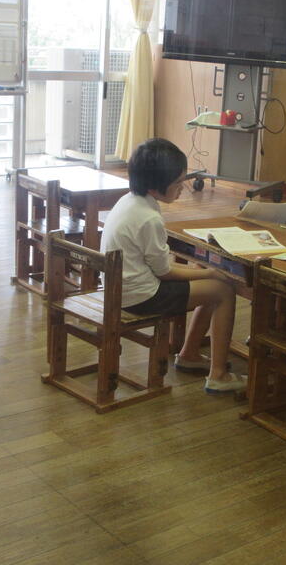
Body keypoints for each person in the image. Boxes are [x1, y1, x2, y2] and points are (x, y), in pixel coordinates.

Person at [100, 138, 246, 394]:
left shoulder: (130, 201)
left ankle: (190, 354)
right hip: (140, 297)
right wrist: (210, 272)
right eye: (178, 182)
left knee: (208, 282)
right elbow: (165, 272)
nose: (183, 187)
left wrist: (202, 274)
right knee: (223, 290)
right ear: (156, 185)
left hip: (121, 290)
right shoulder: (148, 217)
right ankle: (218, 375)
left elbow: (159, 266)